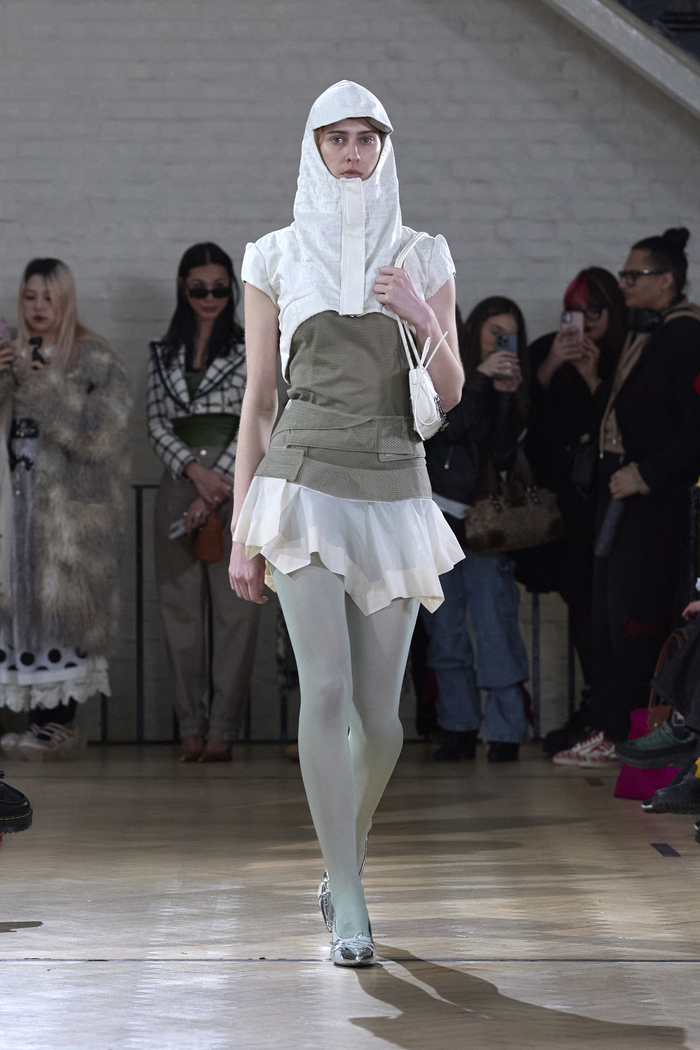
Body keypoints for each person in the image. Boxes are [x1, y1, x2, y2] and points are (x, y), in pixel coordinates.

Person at [229, 81, 464, 966]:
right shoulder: (274, 255)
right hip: (302, 479)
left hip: (396, 484)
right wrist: (247, 528)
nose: (354, 152)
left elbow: (452, 393)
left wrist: (420, 316)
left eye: (368, 137)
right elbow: (259, 403)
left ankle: (346, 858)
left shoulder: (423, 254)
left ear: (385, 148)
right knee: (323, 690)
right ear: (315, 147)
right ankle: (351, 899)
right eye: (339, 138)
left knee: (384, 719)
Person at [554, 228, 700, 768]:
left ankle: (630, 734)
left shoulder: (684, 334)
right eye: (624, 275)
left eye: (635, 275)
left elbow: (694, 428)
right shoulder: (651, 331)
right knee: (610, 620)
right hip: (624, 492)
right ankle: (614, 728)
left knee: (634, 623)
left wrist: (646, 475)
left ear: (667, 280)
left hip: (654, 499)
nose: (624, 284)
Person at [0, 258, 131, 759]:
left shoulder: (94, 357)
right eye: (29, 296)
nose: (38, 307)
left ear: (66, 300)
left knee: (64, 612)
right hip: (15, 507)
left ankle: (59, 726)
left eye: (48, 297)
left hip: (70, 517)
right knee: (19, 612)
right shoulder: (12, 354)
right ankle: (33, 724)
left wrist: (41, 383)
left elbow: (101, 435)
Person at [148, 242, 261, 762]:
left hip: (237, 481)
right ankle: (189, 726)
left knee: (236, 613)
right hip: (179, 482)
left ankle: (223, 728)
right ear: (182, 288)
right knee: (179, 612)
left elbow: (258, 414)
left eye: (220, 289)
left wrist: (220, 481)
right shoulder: (162, 353)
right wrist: (196, 474)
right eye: (199, 289)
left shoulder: (249, 346)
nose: (210, 297)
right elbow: (155, 422)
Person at [521, 269, 628, 755]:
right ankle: (596, 709)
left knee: (606, 612)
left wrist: (591, 377)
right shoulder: (546, 350)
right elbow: (524, 417)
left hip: (608, 503)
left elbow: (621, 424)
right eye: (575, 312)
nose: (585, 323)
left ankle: (606, 711)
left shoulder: (626, 354)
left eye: (595, 312)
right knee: (581, 607)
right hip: (561, 507)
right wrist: (550, 367)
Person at [421, 297, 530, 763]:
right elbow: (449, 427)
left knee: (495, 625)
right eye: (494, 331)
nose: (501, 341)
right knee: (445, 630)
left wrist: (505, 397)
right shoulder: (448, 368)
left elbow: (503, 454)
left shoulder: (510, 384)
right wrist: (481, 379)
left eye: (510, 333)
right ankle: (458, 726)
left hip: (488, 523)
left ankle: (506, 731)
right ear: (475, 331)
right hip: (439, 517)